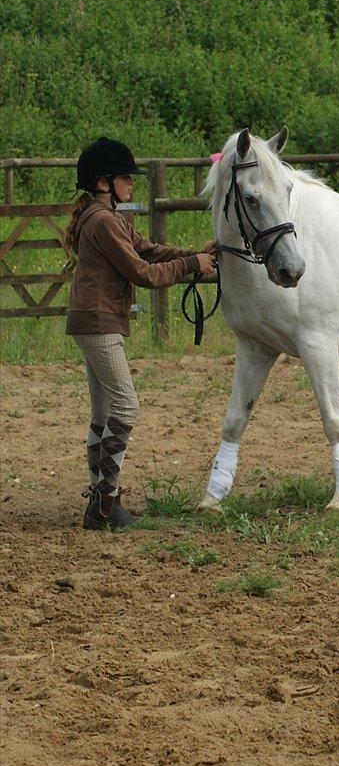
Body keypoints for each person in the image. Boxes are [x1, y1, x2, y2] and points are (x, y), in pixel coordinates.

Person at [63, 137, 216, 530]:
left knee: (103, 413)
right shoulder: (102, 222)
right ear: (103, 182)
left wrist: (195, 255)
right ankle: (105, 503)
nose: (131, 184)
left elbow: (149, 251)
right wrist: (190, 266)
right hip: (99, 323)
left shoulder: (109, 219)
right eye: (124, 178)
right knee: (126, 406)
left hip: (92, 320)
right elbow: (143, 274)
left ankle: (98, 502)